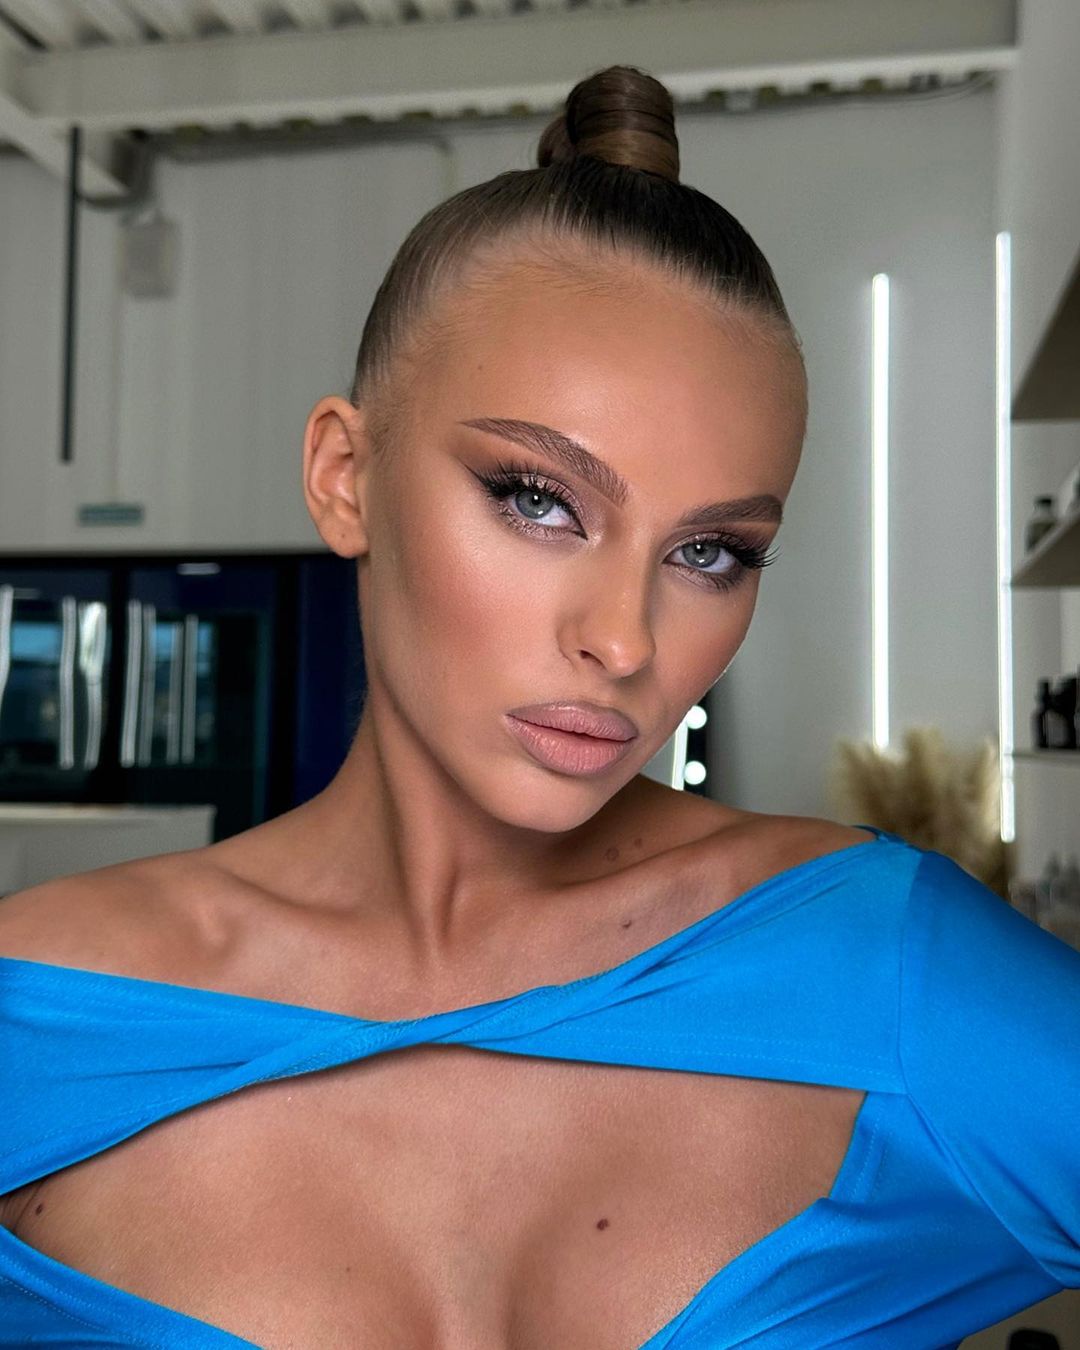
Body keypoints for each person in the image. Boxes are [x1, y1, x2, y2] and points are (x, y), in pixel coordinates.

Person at [0, 64, 1077, 1350]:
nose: (624, 640)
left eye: (712, 552)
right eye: (538, 499)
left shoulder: (895, 975)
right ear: (344, 477)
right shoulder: (32, 1014)